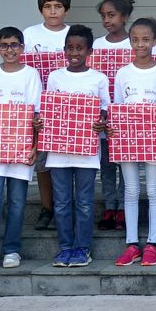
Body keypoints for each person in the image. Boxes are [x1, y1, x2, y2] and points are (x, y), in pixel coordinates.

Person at [0, 27, 42, 272]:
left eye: (14, 45)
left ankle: (12, 249)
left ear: (22, 48)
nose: (9, 50)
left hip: (21, 147)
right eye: (4, 45)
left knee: (17, 201)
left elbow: (36, 114)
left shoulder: (31, 75)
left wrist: (35, 146)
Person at [45, 25, 109, 269]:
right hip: (58, 153)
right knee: (61, 202)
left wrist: (99, 121)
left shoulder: (98, 78)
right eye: (70, 48)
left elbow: (104, 109)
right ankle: (64, 248)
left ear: (89, 51)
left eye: (79, 48)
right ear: (64, 50)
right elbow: (49, 108)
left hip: (87, 152)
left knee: (84, 201)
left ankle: (82, 248)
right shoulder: (55, 77)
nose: (74, 52)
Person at [111, 18, 156, 267]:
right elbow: (117, 109)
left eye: (146, 39)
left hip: (154, 137)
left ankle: (152, 243)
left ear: (155, 41)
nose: (140, 44)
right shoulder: (123, 73)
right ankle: (132, 244)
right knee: (131, 190)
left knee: (153, 189)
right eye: (135, 40)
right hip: (127, 139)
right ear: (130, 42)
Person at [24, 0, 71, 231]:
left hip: (69, 109)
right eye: (48, 7)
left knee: (67, 160)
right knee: (42, 161)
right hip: (40, 106)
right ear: (41, 9)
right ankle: (47, 207)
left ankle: (66, 206)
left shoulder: (74, 34)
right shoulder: (30, 35)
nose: (53, 12)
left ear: (66, 9)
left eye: (58, 7)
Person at [92, 0, 133, 232]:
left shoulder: (133, 42)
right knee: (106, 164)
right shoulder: (97, 45)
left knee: (125, 165)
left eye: (112, 15)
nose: (107, 20)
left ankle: (125, 208)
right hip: (103, 116)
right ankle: (110, 206)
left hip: (128, 117)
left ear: (124, 17)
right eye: (103, 16)